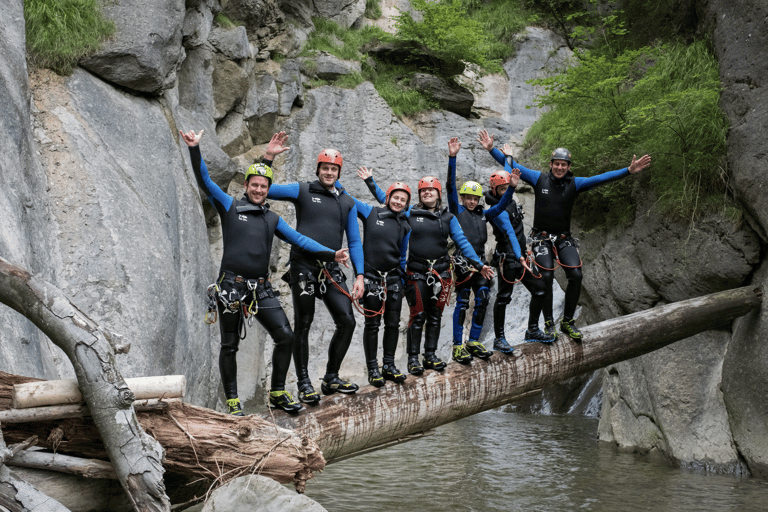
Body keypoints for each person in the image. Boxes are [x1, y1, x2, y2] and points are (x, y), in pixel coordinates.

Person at [181, 129, 348, 415]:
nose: (259, 190)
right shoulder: (230, 206)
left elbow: (300, 240)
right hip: (232, 287)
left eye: (264, 186)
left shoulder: (273, 218)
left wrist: (331, 253)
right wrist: (195, 148)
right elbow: (205, 182)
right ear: (246, 185)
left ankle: (278, 392)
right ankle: (233, 401)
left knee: (286, 336)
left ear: (268, 189)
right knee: (229, 344)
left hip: (260, 288)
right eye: (254, 185)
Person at [479, 129, 652, 340]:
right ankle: (549, 322)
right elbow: (515, 168)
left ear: (569, 167)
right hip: (541, 238)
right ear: (551, 164)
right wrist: (491, 150)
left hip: (563, 238)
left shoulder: (575, 183)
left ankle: (567, 322)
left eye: (564, 164)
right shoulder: (538, 178)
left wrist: (628, 170)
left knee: (576, 275)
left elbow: (600, 178)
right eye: (556, 163)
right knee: (547, 277)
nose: (560, 167)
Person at [360, 167, 495, 376]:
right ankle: (413, 359)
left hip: (441, 272)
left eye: (431, 190)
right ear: (420, 195)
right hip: (416, 272)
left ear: (438, 193)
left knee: (435, 315)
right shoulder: (409, 213)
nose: (427, 193)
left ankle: (430, 355)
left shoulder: (449, 218)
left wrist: (478, 264)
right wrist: (370, 181)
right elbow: (389, 199)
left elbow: (463, 242)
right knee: (418, 315)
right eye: (424, 191)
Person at [263, 132, 365, 404]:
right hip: (304, 266)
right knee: (304, 324)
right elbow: (265, 188)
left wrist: (360, 276)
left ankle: (331, 377)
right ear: (318, 169)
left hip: (332, 269)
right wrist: (269, 157)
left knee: (347, 321)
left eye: (334, 169)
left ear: (339, 172)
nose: (329, 172)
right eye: (325, 168)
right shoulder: (303, 190)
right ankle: (304, 383)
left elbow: (354, 241)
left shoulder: (348, 202)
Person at [444, 137, 516, 363]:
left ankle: (474, 341)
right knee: (463, 302)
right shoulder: (457, 211)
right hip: (463, 264)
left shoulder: (484, 214)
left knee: (483, 297)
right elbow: (449, 187)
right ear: (463, 198)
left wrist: (511, 188)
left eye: (475, 199)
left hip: (482, 264)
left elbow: (502, 205)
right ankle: (458, 345)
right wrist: (452, 158)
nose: (472, 202)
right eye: (468, 198)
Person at [338, 169, 411, 386]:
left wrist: (405, 283)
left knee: (393, 324)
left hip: (394, 281)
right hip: (371, 279)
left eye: (403, 200)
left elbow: (403, 255)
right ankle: (373, 369)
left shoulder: (406, 225)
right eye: (395, 198)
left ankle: (389, 365)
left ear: (407, 205)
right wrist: (338, 184)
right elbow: (348, 198)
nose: (398, 202)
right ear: (387, 198)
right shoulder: (371, 213)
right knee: (372, 325)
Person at [483, 155, 554, 348]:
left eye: (508, 187)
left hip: (520, 256)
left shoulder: (510, 202)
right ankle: (499, 339)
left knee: (540, 290)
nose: (506, 191)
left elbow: (508, 175)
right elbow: (512, 236)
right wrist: (521, 256)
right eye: (502, 189)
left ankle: (532, 330)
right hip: (509, 259)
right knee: (504, 297)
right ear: (494, 191)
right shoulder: (497, 211)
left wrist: (507, 157)